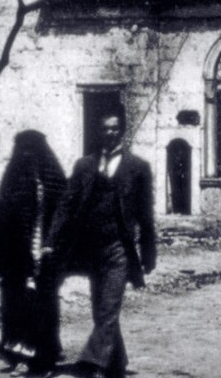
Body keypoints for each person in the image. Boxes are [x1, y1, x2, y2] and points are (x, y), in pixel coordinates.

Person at [46, 109, 156, 378]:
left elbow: (145, 214)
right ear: (99, 131)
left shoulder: (138, 168)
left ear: (122, 131)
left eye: (114, 128)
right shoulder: (84, 166)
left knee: (108, 307)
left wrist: (148, 253)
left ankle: (91, 365)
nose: (109, 133)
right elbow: (66, 205)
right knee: (100, 310)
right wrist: (51, 240)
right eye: (105, 128)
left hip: (119, 249)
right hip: (91, 249)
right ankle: (116, 362)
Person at [0, 130, 67, 373]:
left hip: (45, 254)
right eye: (24, 149)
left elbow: (65, 216)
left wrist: (54, 249)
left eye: (33, 149)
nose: (28, 154)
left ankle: (44, 359)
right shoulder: (13, 180)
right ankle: (18, 356)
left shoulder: (54, 181)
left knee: (44, 305)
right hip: (17, 257)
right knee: (15, 305)